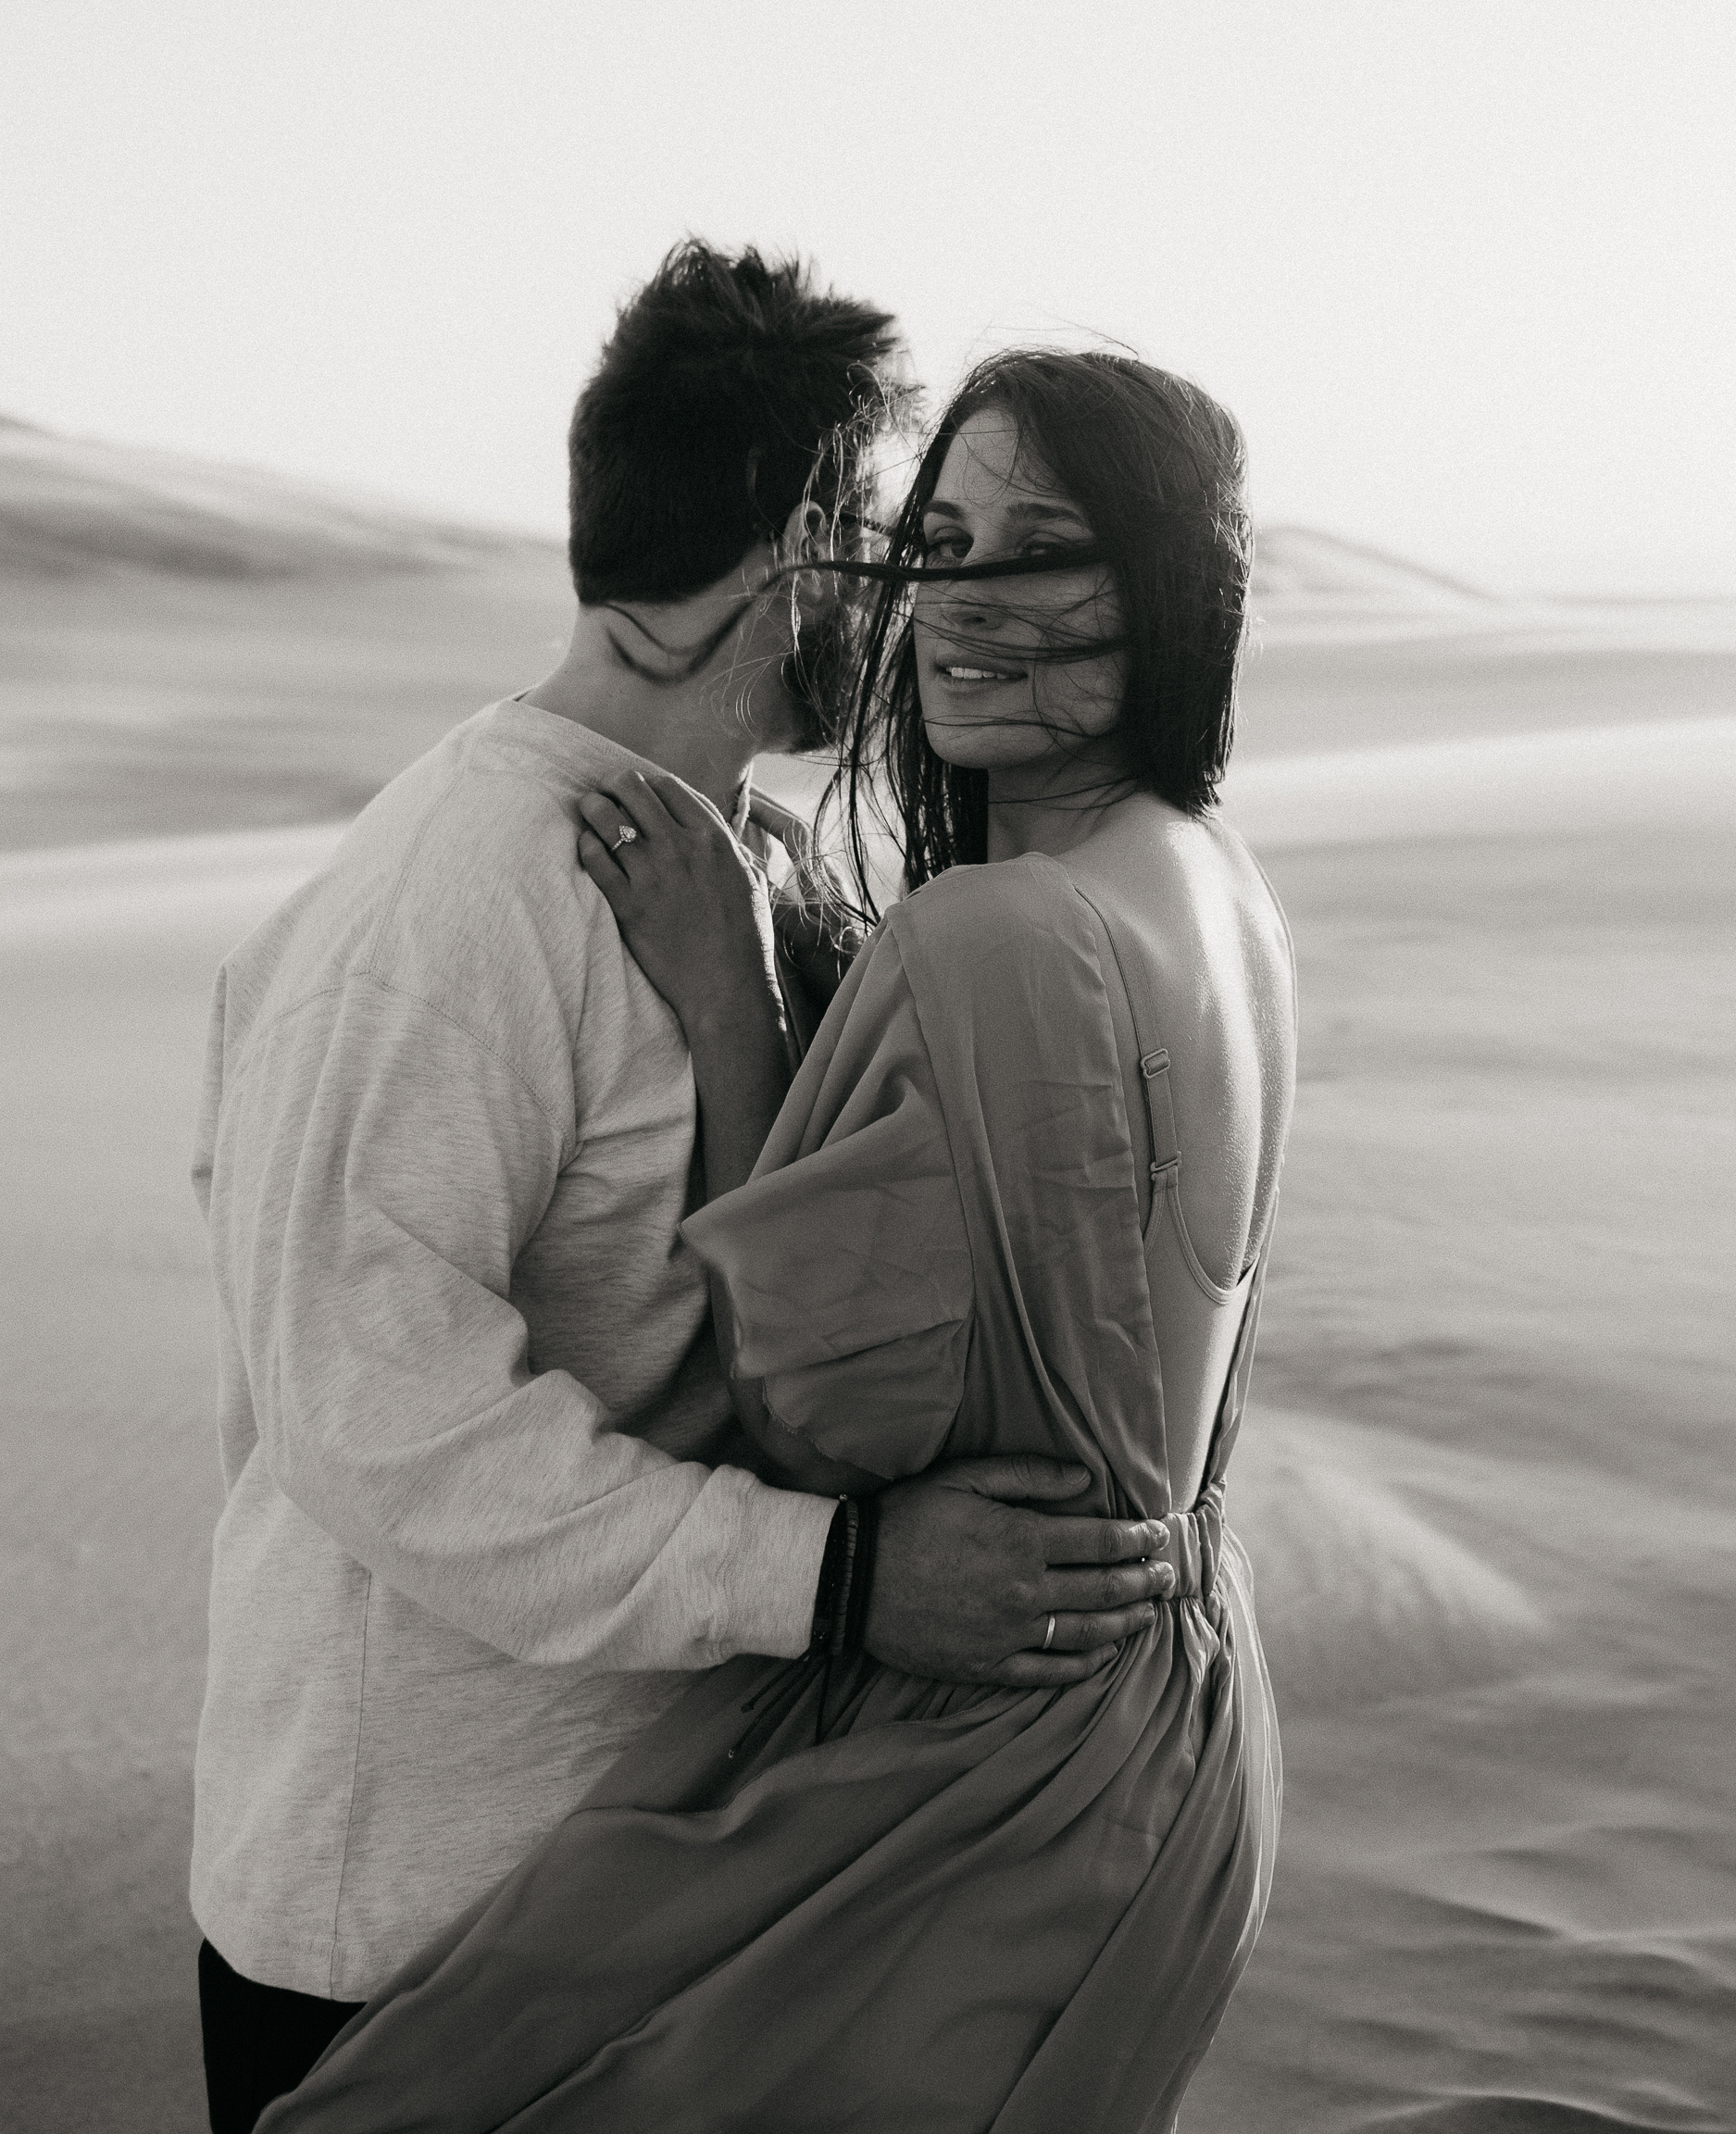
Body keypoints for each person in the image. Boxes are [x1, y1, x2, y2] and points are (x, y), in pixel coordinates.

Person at [259, 347, 1298, 2134]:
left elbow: (822, 1426)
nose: (966, 603)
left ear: (1167, 592)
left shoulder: (997, 939)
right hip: (1183, 1729)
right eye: (944, 540)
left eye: (1042, 550)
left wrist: (740, 1018)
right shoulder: (1214, 879)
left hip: (989, 1772)